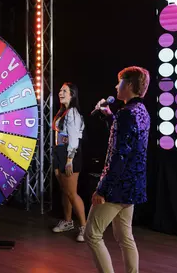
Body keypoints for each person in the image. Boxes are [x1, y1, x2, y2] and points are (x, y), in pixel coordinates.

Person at [85, 66, 151, 273]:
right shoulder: (141, 112)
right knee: (125, 236)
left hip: (117, 187)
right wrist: (109, 117)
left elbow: (118, 156)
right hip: (133, 185)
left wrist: (102, 190)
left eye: (120, 81)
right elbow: (128, 140)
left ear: (129, 85)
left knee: (92, 234)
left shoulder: (125, 114)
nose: (116, 86)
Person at [52, 82, 87, 242]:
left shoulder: (72, 112)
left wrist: (69, 160)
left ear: (72, 95)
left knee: (72, 193)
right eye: (60, 90)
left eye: (64, 90)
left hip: (70, 154)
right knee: (65, 191)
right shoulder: (62, 111)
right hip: (60, 152)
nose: (61, 92)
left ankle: (85, 227)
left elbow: (73, 140)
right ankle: (67, 221)